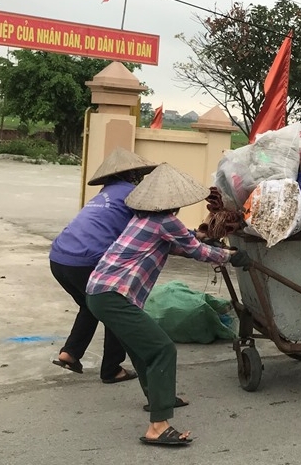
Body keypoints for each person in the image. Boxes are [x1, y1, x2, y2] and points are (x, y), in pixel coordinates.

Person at [85, 163, 248, 446]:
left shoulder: (143, 218)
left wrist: (213, 246)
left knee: (139, 348)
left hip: (100, 292)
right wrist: (230, 256)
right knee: (162, 349)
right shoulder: (166, 221)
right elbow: (194, 249)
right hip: (113, 294)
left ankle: (158, 398)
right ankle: (158, 426)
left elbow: (179, 244)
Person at [49, 147, 156, 383]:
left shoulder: (103, 194)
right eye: (138, 174)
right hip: (86, 261)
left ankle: (70, 353)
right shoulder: (132, 194)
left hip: (59, 258)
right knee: (115, 309)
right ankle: (112, 369)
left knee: (90, 306)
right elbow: (157, 224)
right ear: (132, 175)